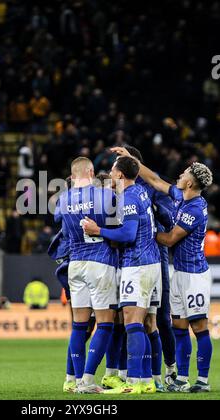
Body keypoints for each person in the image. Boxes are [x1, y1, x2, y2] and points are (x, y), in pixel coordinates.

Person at [115, 147, 214, 393]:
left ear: (189, 183)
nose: (180, 174)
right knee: (179, 327)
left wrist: (146, 232)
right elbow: (155, 180)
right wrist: (132, 161)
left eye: (184, 173)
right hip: (179, 271)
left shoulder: (193, 209)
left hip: (194, 275)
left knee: (199, 327)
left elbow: (169, 240)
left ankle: (202, 379)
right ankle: (181, 378)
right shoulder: (184, 197)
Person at [83, 156, 161, 394]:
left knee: (133, 323)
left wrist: (98, 230)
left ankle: (134, 382)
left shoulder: (128, 198)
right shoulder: (141, 192)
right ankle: (146, 380)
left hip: (137, 265)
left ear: (119, 175)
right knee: (143, 323)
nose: (110, 172)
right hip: (150, 262)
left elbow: (128, 235)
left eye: (112, 169)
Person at [56, 157, 118, 393]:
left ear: (73, 175)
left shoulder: (62, 199)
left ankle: (72, 379)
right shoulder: (105, 196)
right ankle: (88, 381)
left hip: (75, 264)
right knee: (105, 324)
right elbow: (117, 226)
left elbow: (61, 226)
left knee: (79, 326)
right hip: (100, 262)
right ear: (91, 172)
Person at [124, 146, 177, 390]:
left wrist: (153, 217)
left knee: (159, 317)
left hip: (154, 256)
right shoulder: (119, 189)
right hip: (126, 257)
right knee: (127, 318)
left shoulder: (151, 188)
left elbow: (170, 218)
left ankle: (170, 369)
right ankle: (134, 373)